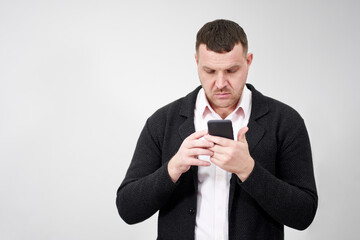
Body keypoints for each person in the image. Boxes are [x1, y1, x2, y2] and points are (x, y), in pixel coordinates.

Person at [116, 19, 318, 240]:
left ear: (248, 61)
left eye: (231, 70)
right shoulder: (162, 122)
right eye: (210, 71)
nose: (221, 83)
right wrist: (173, 168)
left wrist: (249, 170)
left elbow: (304, 214)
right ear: (196, 62)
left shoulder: (285, 121)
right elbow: (128, 209)